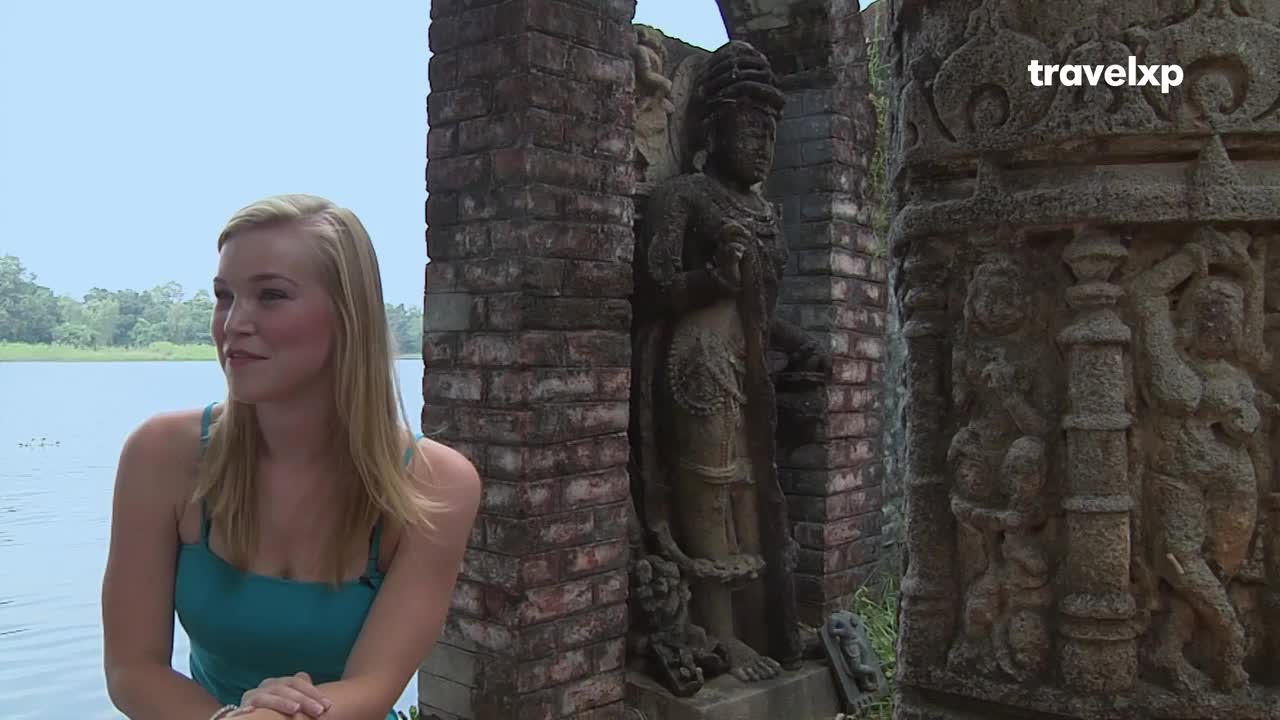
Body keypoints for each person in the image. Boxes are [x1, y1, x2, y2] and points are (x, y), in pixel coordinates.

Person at [101, 194, 482, 720]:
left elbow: (375, 685)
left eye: (272, 295)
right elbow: (132, 670)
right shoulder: (161, 454)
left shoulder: (436, 482)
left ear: (349, 316)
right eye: (224, 296)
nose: (233, 322)